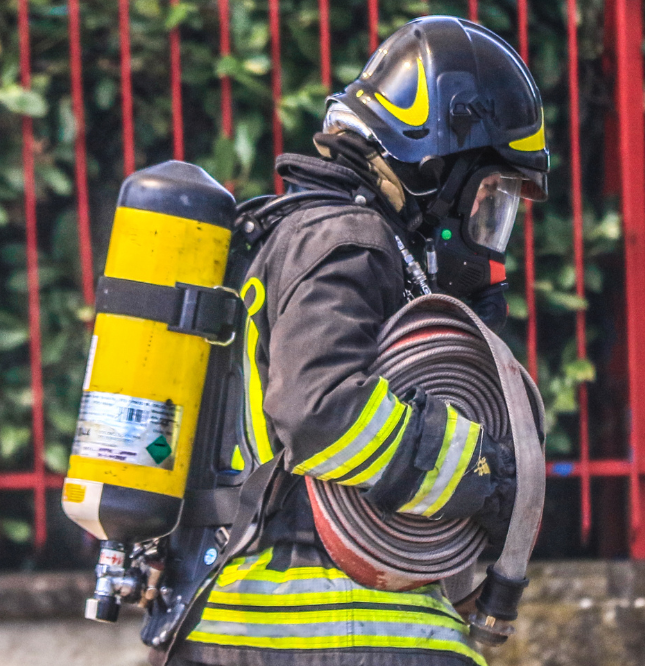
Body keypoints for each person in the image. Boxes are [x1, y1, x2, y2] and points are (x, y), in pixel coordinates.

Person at [171, 15, 549, 666]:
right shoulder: (348, 240)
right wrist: (480, 472)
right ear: (440, 166)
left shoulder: (319, 237)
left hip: (266, 629)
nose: (489, 228)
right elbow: (320, 412)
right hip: (327, 630)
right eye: (489, 194)